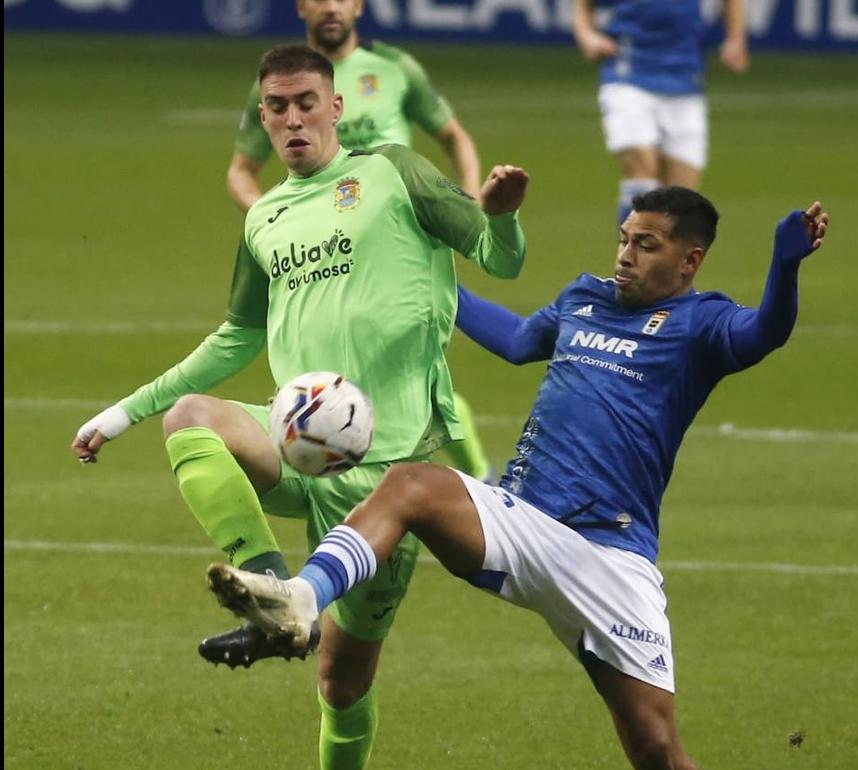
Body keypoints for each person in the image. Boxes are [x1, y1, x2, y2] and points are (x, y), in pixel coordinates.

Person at [205, 187, 828, 769]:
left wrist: (785, 265)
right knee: (412, 486)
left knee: (656, 748)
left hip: (610, 558)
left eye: (646, 245)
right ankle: (302, 597)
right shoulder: (586, 299)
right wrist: (431, 280)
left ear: (690, 260)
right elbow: (520, 340)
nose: (625, 255)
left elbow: (764, 331)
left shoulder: (702, 324)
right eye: (623, 239)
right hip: (525, 521)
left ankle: (301, 598)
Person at [71, 45, 528, 770]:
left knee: (341, 686)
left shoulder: (395, 171)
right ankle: (271, 591)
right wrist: (124, 412)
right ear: (263, 116)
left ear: (335, 107)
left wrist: (501, 218)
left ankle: (297, 624)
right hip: (296, 452)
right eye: (277, 107)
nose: (292, 119)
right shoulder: (264, 217)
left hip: (389, 483)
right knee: (190, 417)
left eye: (306, 103)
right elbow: (236, 336)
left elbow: (502, 260)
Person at [229, 0, 497, 489]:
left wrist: (469, 201)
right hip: (334, 247)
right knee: (371, 381)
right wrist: (277, 222)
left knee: (412, 371)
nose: (331, 7)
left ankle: (477, 480)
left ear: (359, 6)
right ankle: (443, 488)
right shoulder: (275, 87)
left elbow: (453, 135)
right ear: (301, 7)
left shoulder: (395, 69)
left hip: (397, 239)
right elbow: (241, 170)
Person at [572, 0, 748, 223]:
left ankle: (653, 246)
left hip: (686, 79)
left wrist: (735, 39)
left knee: (680, 204)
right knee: (642, 174)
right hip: (628, 72)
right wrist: (587, 36)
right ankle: (631, 246)